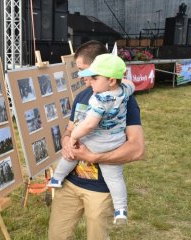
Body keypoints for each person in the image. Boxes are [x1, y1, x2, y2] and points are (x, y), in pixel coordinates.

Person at [48, 40, 145, 240]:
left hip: (100, 190)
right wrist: (67, 140)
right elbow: (70, 129)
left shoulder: (126, 102)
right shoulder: (83, 96)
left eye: (84, 71)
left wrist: (93, 156)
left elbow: (137, 149)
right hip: (69, 185)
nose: (81, 77)